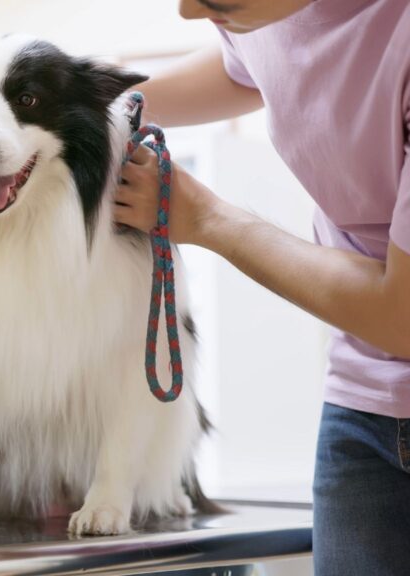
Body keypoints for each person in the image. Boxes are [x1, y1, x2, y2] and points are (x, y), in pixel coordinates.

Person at [113, 0, 409, 573]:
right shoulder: (263, 16)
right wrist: (99, 92)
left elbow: (402, 315)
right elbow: (243, 63)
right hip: (359, 400)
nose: (187, 12)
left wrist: (205, 219)